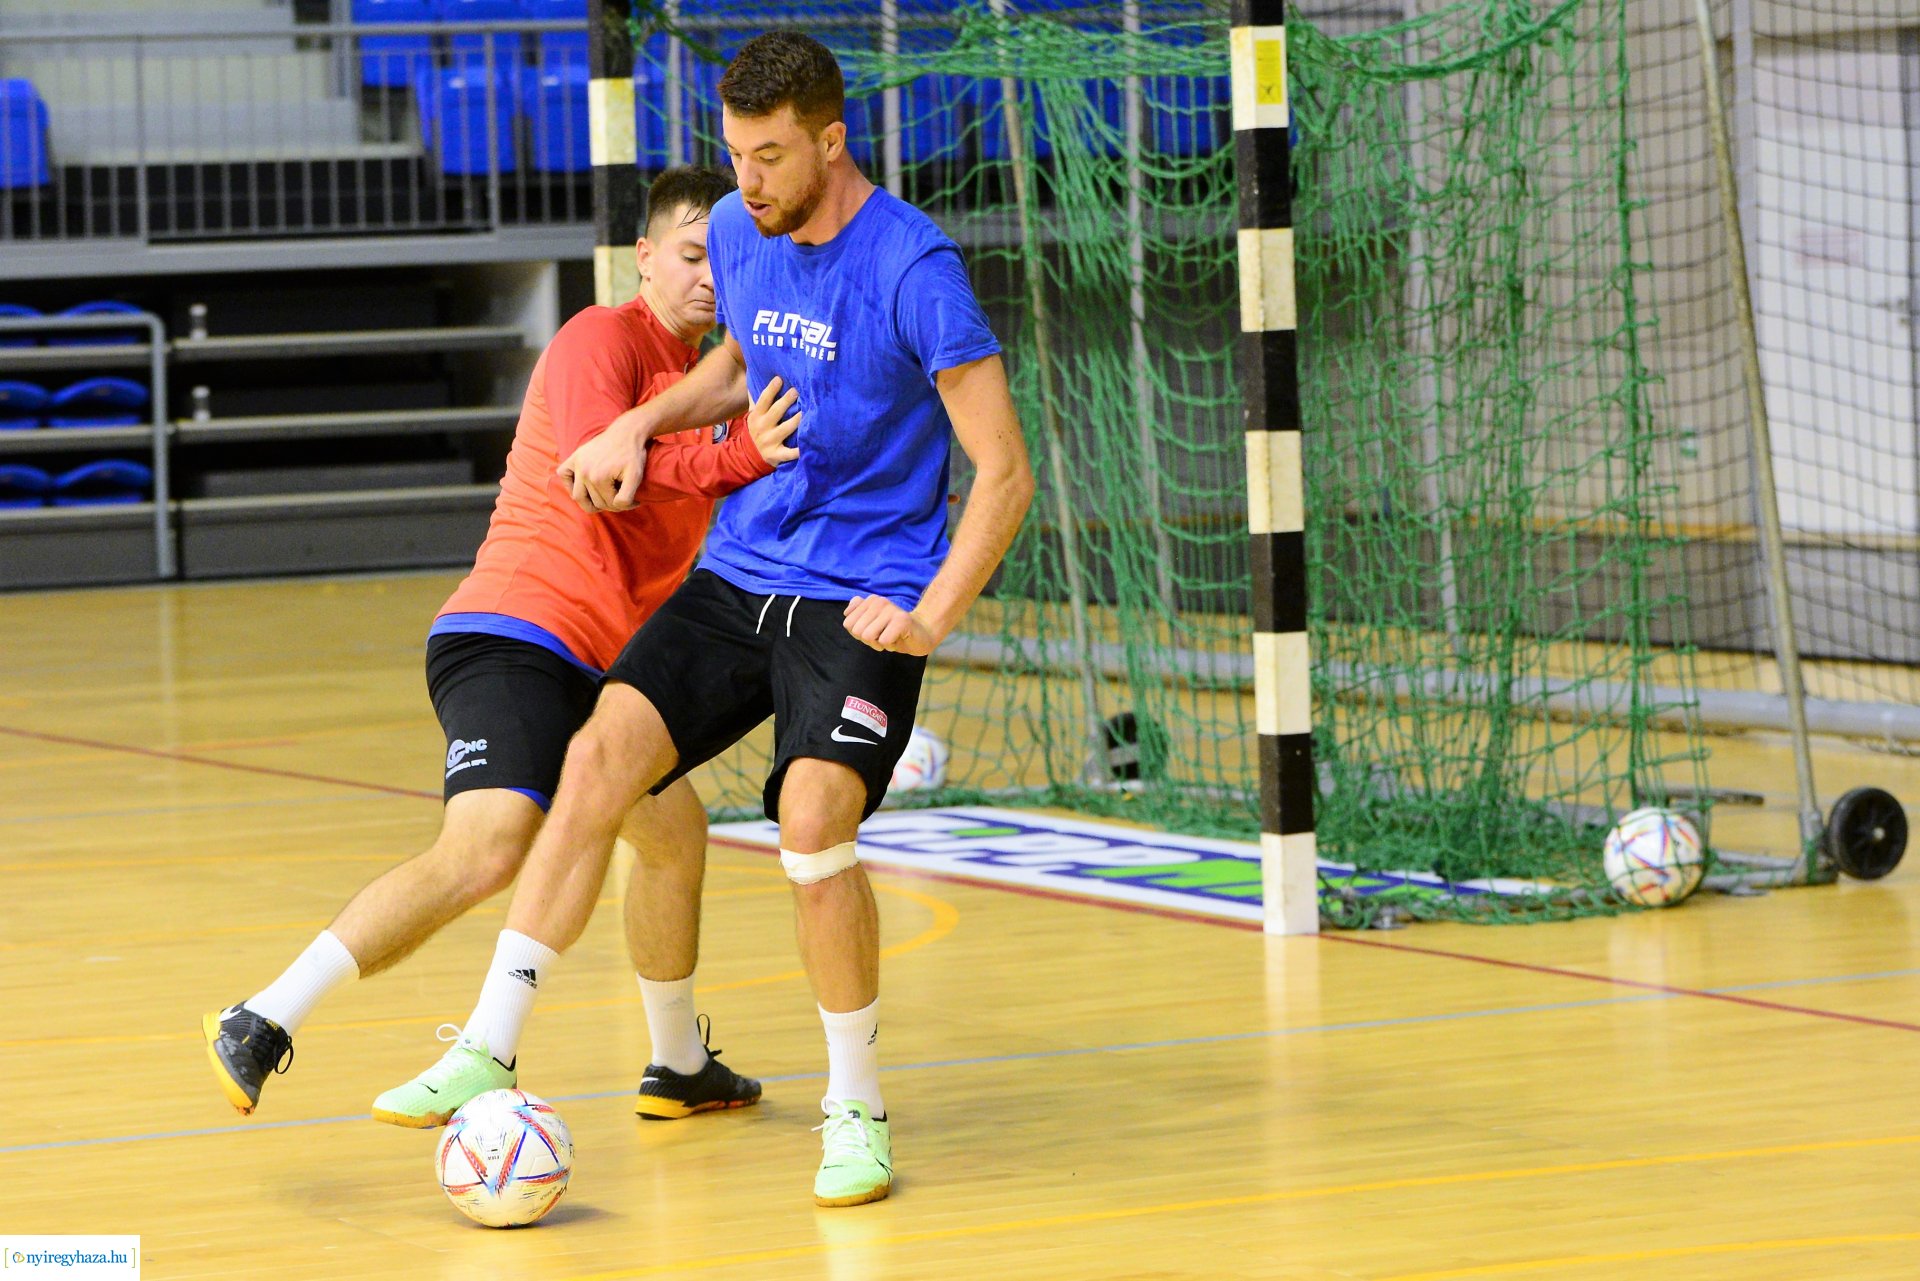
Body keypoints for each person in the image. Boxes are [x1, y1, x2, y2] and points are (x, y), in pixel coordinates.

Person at [374, 31, 1035, 1208]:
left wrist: (931, 617)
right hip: (741, 576)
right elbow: (739, 361)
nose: (749, 182)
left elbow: (1003, 472)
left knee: (811, 823)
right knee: (598, 759)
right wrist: (642, 422)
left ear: (832, 141)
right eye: (735, 155)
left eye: (771, 157)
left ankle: (855, 1108)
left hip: (860, 594)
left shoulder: (913, 269)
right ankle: (490, 1036)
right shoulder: (743, 228)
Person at [203, 165, 798, 1127]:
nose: (708, 279)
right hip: (513, 633)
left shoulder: (719, 387)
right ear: (644, 257)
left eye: (723, 261)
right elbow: (607, 469)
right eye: (690, 256)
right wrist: (738, 455)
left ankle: (680, 1061)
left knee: (675, 836)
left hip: (602, 668)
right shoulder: (598, 338)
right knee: (487, 847)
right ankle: (264, 1015)